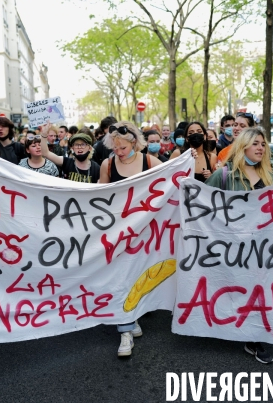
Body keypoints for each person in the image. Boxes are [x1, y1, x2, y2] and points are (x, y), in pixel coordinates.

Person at [205, 127, 273, 365]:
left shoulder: (270, 177)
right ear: (243, 146)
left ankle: (255, 339)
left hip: (260, 248)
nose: (260, 148)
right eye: (255, 143)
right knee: (235, 288)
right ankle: (226, 323)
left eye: (263, 144)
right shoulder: (224, 176)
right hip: (232, 249)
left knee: (260, 290)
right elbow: (203, 204)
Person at [98, 121, 163, 357]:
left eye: (122, 147)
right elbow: (100, 194)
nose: (117, 151)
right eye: (114, 147)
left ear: (134, 142)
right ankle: (125, 331)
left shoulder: (149, 161)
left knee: (136, 276)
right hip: (117, 232)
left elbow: (172, 178)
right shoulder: (108, 163)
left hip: (145, 231)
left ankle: (132, 317)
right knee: (121, 278)